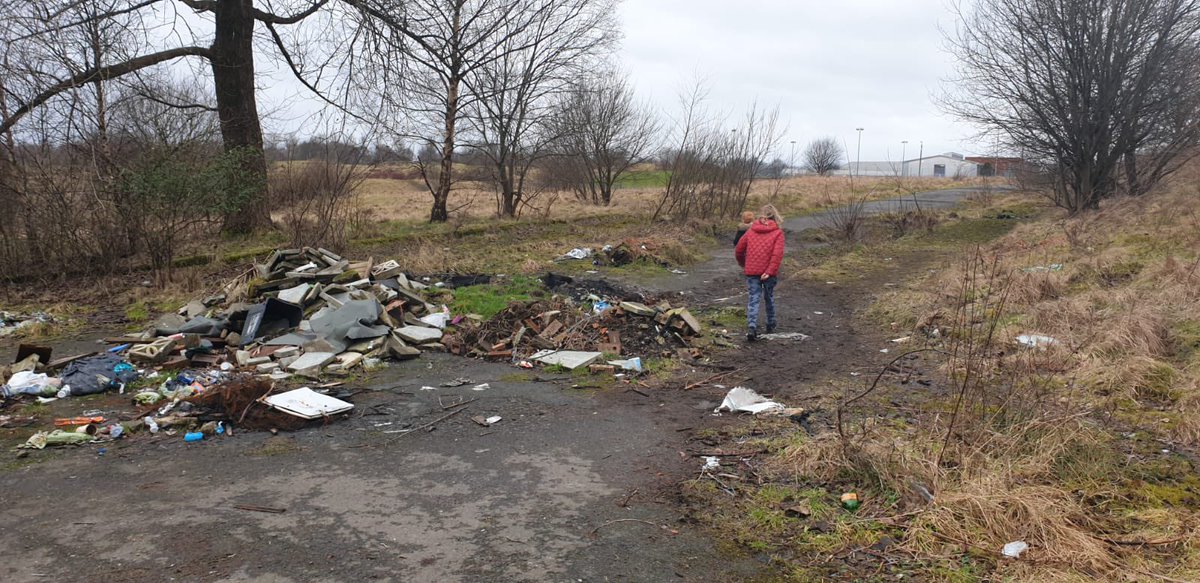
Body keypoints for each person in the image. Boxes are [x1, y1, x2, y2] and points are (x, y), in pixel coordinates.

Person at [734, 204, 785, 341]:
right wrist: (769, 271)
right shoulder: (778, 233)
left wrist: (744, 264)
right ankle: (771, 323)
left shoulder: (751, 231)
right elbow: (777, 255)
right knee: (769, 297)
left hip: (752, 271)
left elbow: (739, 249)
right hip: (768, 273)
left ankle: (751, 327)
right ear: (775, 217)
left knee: (753, 298)